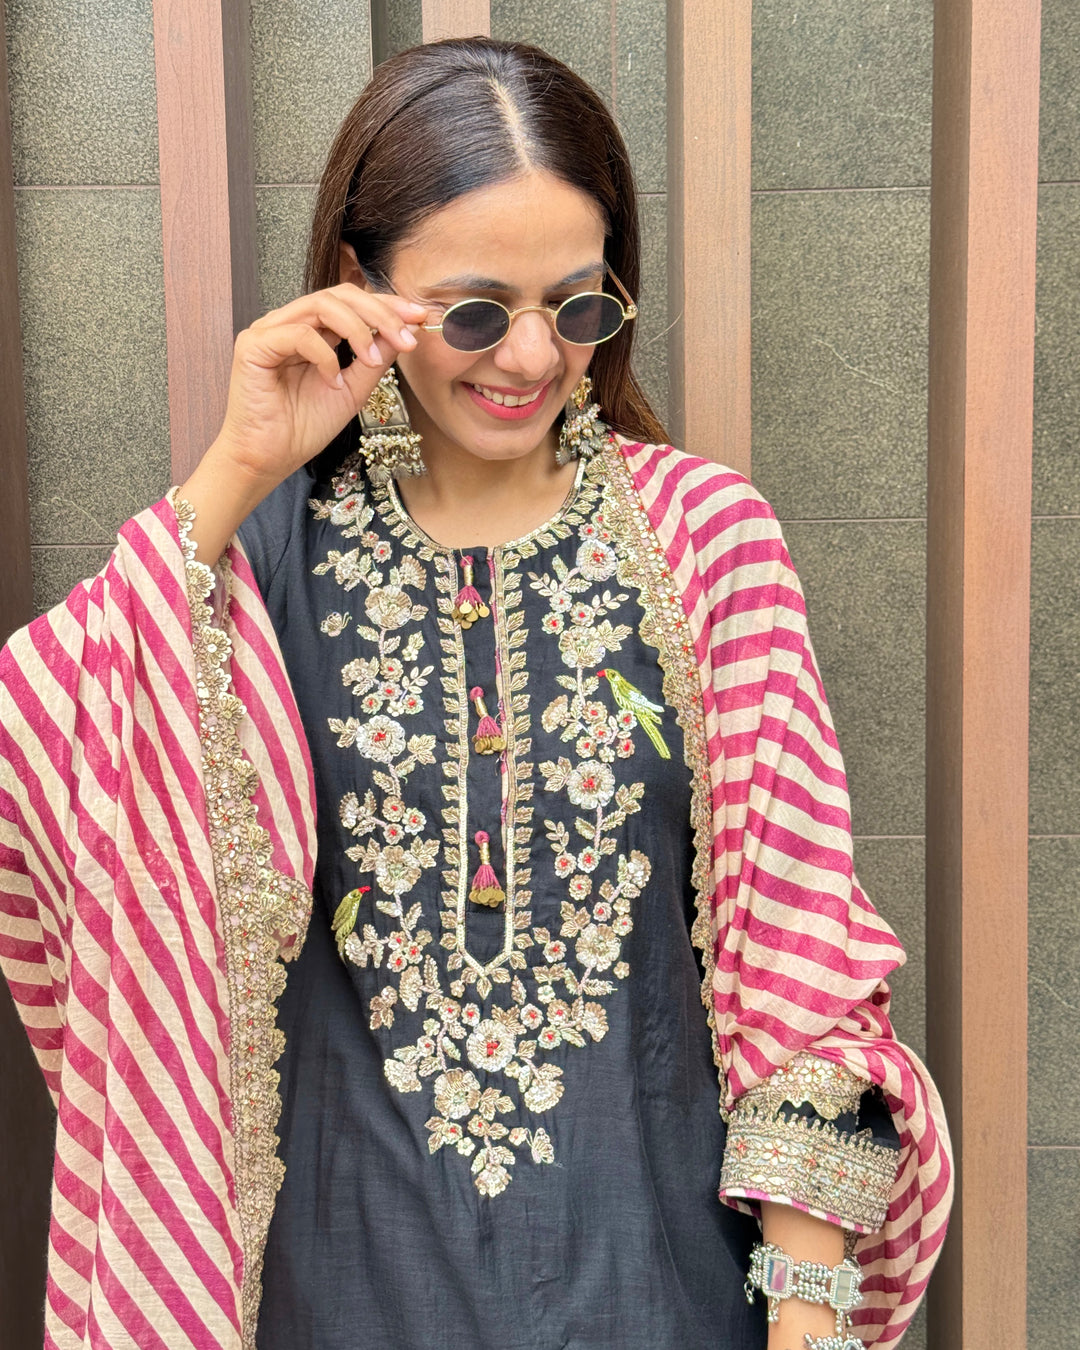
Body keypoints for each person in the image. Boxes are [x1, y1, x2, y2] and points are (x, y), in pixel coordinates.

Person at [0, 36, 950, 1350]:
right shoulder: (261, 562)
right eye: (472, 310)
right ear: (355, 285)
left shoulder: (703, 539)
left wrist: (810, 1323)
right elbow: (62, 741)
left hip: (663, 1294)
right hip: (337, 1293)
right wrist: (238, 465)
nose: (530, 355)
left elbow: (808, 978)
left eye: (578, 304)